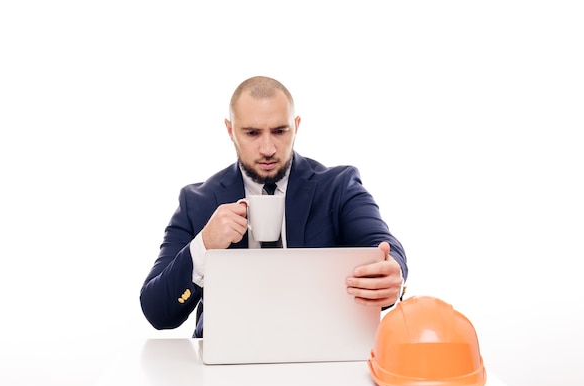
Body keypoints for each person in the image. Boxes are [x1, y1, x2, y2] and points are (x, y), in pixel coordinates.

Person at [140, 76, 408, 338]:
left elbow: (381, 243)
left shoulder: (338, 187)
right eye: (252, 133)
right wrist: (205, 245)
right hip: (224, 366)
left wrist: (392, 270)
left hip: (318, 355)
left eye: (280, 131)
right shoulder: (196, 201)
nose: (267, 148)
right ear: (230, 130)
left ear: (296, 126)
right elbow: (157, 311)